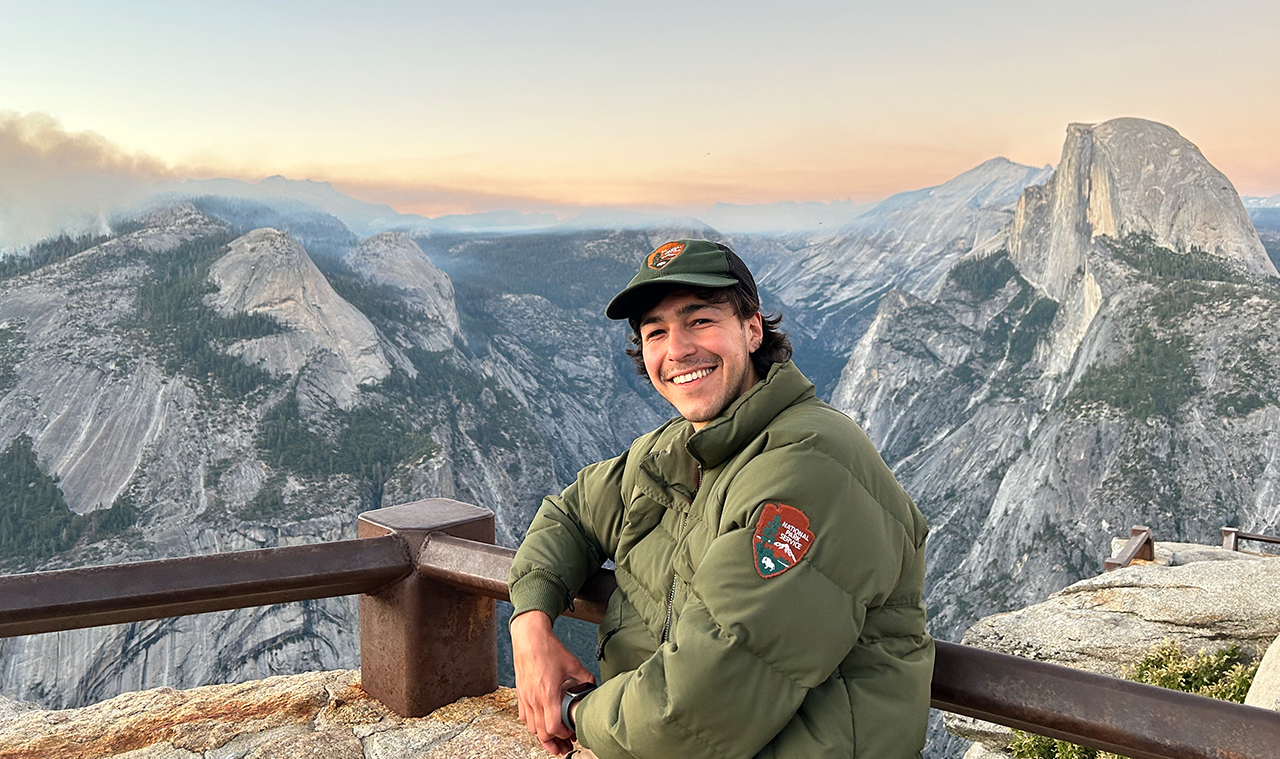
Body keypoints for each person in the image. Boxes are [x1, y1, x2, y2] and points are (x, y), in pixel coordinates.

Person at [508, 239, 934, 759]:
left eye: (700, 320)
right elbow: (569, 515)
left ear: (753, 330)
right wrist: (531, 626)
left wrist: (572, 708)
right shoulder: (680, 449)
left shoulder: (809, 466)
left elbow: (693, 711)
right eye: (656, 331)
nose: (677, 349)